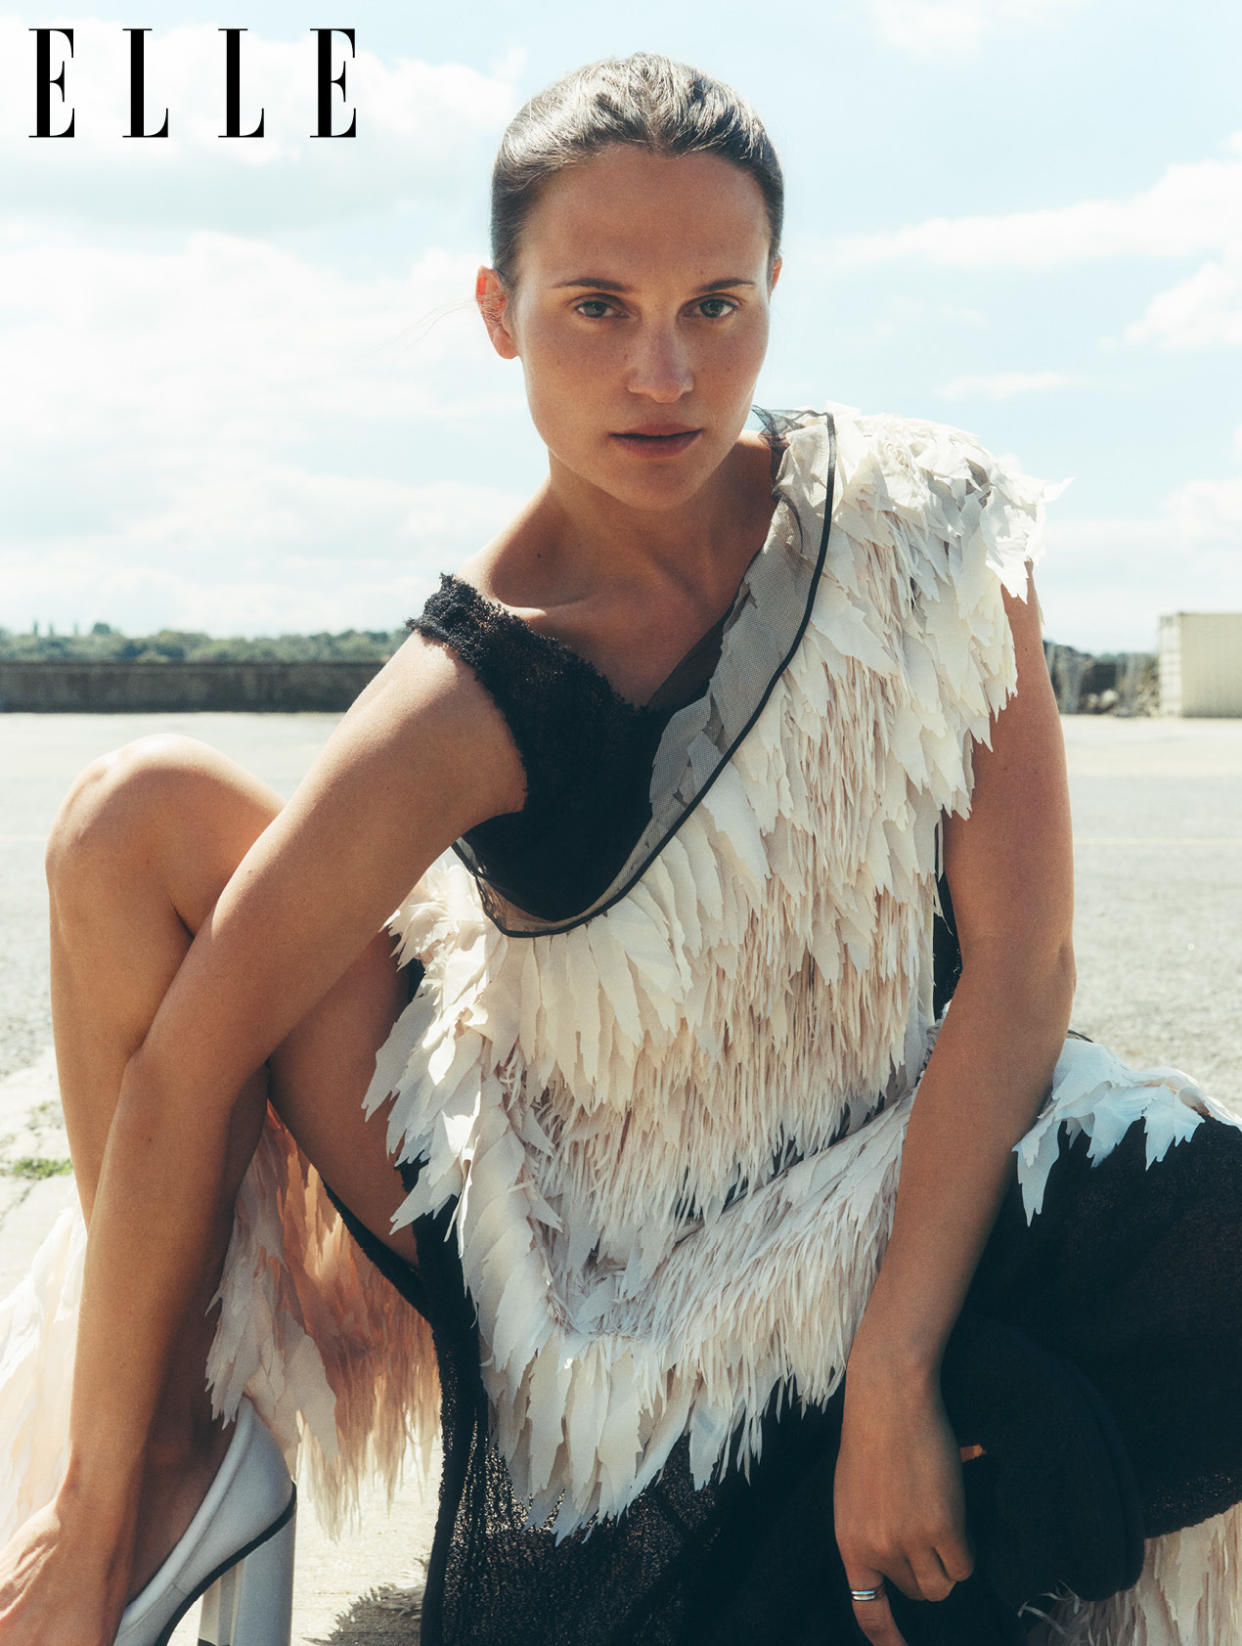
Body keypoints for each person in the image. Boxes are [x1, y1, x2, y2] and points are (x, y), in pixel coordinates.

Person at [1, 50, 1241, 1646]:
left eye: (716, 304)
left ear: (775, 290)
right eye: (596, 304)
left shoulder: (922, 530)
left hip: (876, 1166)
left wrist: (890, 1367)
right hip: (582, 1228)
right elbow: (190, 1054)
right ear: (495, 309)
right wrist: (97, 1510)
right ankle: (180, 1472)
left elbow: (1022, 959)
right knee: (127, 816)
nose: (664, 369)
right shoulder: (475, 677)